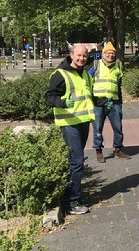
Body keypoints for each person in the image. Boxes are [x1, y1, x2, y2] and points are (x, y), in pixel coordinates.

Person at [44, 44, 95, 215]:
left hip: (83, 121)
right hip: (69, 124)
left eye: (84, 56)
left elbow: (89, 97)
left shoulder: (85, 74)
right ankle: (73, 202)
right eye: (79, 55)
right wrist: (63, 103)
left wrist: (102, 102)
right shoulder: (61, 74)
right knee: (77, 161)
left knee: (76, 161)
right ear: (71, 55)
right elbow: (49, 97)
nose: (82, 58)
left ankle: (74, 195)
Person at [88, 41, 131, 163]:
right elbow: (87, 82)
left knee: (118, 127)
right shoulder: (96, 65)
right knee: (97, 128)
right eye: (108, 53)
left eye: (112, 53)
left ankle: (118, 150)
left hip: (114, 102)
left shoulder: (118, 66)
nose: (110, 55)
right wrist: (92, 99)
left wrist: (120, 102)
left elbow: (118, 85)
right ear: (103, 54)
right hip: (98, 103)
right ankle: (98, 151)